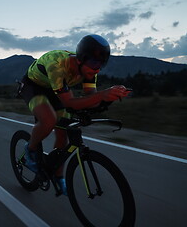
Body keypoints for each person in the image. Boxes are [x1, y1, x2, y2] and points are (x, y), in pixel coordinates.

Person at [19, 34, 131, 196]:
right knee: (49, 120)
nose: (97, 68)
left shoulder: (91, 70)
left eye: (102, 63)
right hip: (34, 86)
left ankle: (58, 176)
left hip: (56, 89)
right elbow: (69, 103)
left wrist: (110, 98)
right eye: (94, 62)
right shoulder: (57, 65)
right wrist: (102, 95)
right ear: (80, 59)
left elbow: (89, 98)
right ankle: (30, 149)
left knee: (63, 132)